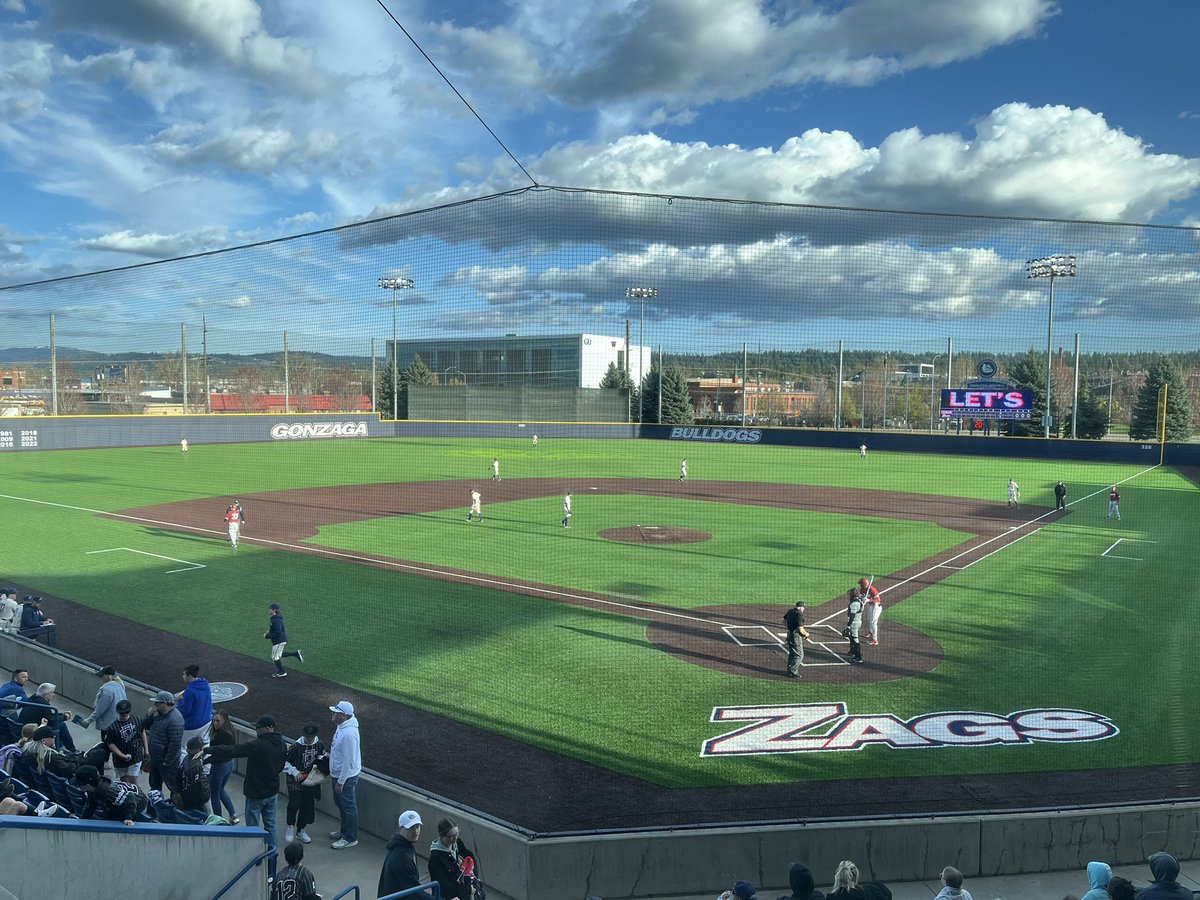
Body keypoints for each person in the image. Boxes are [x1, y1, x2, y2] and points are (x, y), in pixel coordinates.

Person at [206, 714, 287, 853]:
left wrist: (208, 750)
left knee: (252, 827)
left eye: (259, 727)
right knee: (271, 825)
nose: (256, 730)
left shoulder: (258, 745)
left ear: (268, 728)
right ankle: (273, 852)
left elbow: (234, 750)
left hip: (255, 793)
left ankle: (253, 853)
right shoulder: (282, 744)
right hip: (272, 791)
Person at [328, 699, 362, 849]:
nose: (332, 714)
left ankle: (350, 837)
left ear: (343, 715)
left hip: (345, 778)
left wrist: (341, 781)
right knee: (341, 804)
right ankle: (344, 831)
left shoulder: (348, 734)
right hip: (339, 774)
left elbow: (349, 761)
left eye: (335, 713)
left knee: (348, 807)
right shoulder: (342, 726)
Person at [284, 723, 325, 844]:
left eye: (311, 737)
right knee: (294, 804)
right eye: (307, 737)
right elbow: (285, 762)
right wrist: (295, 772)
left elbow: (322, 758)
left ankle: (301, 830)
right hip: (295, 781)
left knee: (306, 805)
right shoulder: (296, 746)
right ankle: (290, 826)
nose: (309, 739)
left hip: (310, 780)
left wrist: (318, 769)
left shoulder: (319, 744)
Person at [74, 764, 150, 826]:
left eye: (79, 785)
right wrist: (82, 821)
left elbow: (130, 799)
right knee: (108, 817)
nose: (78, 787)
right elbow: (90, 806)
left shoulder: (106, 790)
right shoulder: (92, 789)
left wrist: (128, 818)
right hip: (121, 801)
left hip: (138, 801)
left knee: (117, 819)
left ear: (87, 785)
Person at [378, 810, 430, 897]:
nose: (415, 831)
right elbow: (414, 892)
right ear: (401, 828)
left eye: (417, 826)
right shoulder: (401, 858)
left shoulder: (405, 846)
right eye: (411, 827)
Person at [428, 817, 482, 900]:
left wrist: (472, 879)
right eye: (451, 836)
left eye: (457, 834)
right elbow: (444, 885)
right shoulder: (436, 857)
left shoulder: (457, 843)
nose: (455, 838)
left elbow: (471, 859)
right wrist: (468, 889)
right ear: (442, 836)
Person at [142, 690, 183, 794]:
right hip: (155, 759)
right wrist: (149, 715)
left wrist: (167, 762)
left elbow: (175, 744)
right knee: (154, 787)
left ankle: (175, 808)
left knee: (174, 787)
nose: (155, 705)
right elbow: (144, 726)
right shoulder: (157, 714)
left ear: (165, 704)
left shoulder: (175, 720)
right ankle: (153, 809)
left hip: (166, 762)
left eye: (157, 703)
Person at [18, 682, 76, 751]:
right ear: (45, 695)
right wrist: (65, 717)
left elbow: (48, 716)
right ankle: (72, 750)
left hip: (26, 729)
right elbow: (51, 721)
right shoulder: (43, 704)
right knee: (62, 725)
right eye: (52, 693)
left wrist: (61, 715)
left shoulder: (33, 699)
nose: (53, 695)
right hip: (35, 731)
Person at [208, 709, 240, 823]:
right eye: (214, 721)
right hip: (229, 764)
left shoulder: (219, 736)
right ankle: (233, 814)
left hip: (219, 766)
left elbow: (217, 755)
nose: (215, 723)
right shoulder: (231, 732)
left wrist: (204, 760)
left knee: (214, 794)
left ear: (224, 720)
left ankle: (218, 819)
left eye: (217, 721)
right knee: (220, 789)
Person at [102, 699, 144, 785]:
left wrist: (146, 751)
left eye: (127, 712)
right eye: (122, 713)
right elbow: (110, 743)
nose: (125, 714)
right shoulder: (113, 727)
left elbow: (142, 732)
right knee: (124, 780)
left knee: (133, 778)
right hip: (120, 758)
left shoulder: (136, 719)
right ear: (118, 712)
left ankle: (136, 795)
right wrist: (122, 755)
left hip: (136, 754)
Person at [176, 663, 213, 750]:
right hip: (207, 722)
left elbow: (185, 711)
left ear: (189, 676)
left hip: (192, 725)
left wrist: (179, 701)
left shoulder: (190, 691)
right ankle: (206, 764)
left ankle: (184, 764)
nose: (183, 676)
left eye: (184, 675)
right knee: (204, 746)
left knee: (183, 747)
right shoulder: (206, 685)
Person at [80, 665, 127, 733]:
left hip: (109, 726)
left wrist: (88, 721)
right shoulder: (120, 685)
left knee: (108, 743)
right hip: (120, 723)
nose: (100, 678)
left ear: (107, 676)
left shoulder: (107, 690)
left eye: (101, 676)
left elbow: (100, 710)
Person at [265, 603, 304, 678]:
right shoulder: (274, 618)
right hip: (279, 640)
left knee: (274, 657)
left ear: (274, 610)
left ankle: (282, 671)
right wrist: (269, 633)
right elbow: (275, 630)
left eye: (270, 609)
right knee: (278, 655)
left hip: (279, 641)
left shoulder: (276, 620)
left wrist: (268, 636)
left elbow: (278, 632)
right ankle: (295, 654)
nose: (268, 610)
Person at [177, 735, 211, 812]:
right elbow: (197, 786)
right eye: (200, 748)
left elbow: (178, 777)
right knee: (208, 814)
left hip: (187, 796)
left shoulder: (186, 758)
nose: (202, 750)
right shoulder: (195, 765)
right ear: (195, 750)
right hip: (198, 801)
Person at [783, 602, 807, 678]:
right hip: (795, 636)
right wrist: (806, 634)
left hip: (789, 633)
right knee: (799, 655)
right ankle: (793, 671)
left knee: (792, 653)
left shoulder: (790, 611)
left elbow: (783, 620)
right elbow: (801, 629)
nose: (804, 609)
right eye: (803, 607)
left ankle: (789, 671)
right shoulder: (800, 615)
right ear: (800, 607)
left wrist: (790, 627)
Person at [859, 578, 882, 646]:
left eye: (861, 584)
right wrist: (861, 598)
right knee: (869, 619)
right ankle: (871, 631)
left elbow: (878, 600)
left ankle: (875, 640)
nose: (860, 585)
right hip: (871, 606)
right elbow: (861, 596)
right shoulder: (862, 589)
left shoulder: (872, 590)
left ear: (864, 584)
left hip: (876, 606)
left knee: (873, 622)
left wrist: (869, 600)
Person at [844, 589, 864, 664]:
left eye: (850, 594)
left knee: (855, 640)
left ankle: (859, 657)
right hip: (856, 621)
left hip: (854, 623)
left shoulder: (855, 603)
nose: (849, 596)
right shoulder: (858, 601)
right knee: (852, 638)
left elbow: (852, 615)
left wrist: (848, 625)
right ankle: (855, 654)